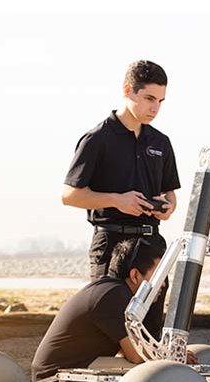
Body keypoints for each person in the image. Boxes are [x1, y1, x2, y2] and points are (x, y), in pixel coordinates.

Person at [30, 238, 164, 382]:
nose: (162, 284)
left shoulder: (111, 290)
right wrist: (167, 359)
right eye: (157, 276)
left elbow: (130, 351)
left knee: (144, 372)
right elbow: (136, 356)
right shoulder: (115, 296)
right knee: (143, 377)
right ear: (135, 275)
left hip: (67, 372)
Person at [61, 59, 181, 281]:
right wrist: (117, 200)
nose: (155, 108)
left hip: (151, 246)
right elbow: (69, 195)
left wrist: (168, 208)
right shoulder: (97, 139)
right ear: (128, 91)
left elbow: (170, 194)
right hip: (110, 244)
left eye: (161, 101)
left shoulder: (161, 142)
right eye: (149, 98)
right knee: (109, 315)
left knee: (153, 318)